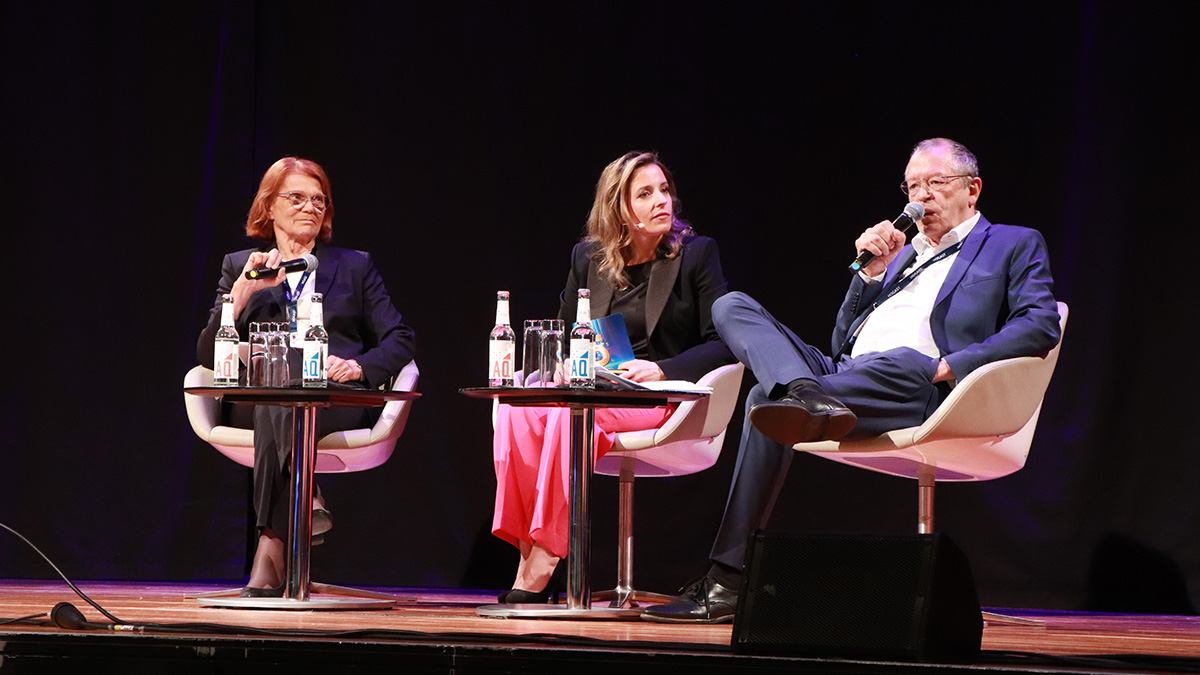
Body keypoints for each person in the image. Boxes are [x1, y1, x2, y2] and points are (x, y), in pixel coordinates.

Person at [642, 137, 1061, 623]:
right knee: (731, 307)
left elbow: (1039, 323)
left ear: (973, 189)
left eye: (935, 184)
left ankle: (728, 577)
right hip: (845, 376)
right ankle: (800, 399)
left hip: (920, 381)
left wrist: (955, 365)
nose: (919, 197)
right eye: (911, 186)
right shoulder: (900, 253)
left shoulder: (1012, 242)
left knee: (777, 392)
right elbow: (842, 341)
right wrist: (869, 275)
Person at [491, 151, 734, 603]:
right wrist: (561, 362)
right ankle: (526, 542)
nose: (662, 201)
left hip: (657, 394)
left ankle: (544, 558)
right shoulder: (589, 258)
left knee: (571, 417)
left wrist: (662, 368)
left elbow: (725, 341)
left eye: (664, 190)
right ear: (619, 208)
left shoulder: (696, 255)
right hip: (598, 385)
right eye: (645, 194)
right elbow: (564, 334)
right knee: (515, 405)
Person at [197, 157, 416, 596]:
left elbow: (400, 338)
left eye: (319, 200)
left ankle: (270, 545)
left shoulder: (354, 267)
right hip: (256, 407)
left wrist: (358, 367)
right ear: (269, 206)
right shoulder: (242, 264)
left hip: (332, 403)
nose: (310, 207)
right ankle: (301, 503)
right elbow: (206, 353)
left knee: (292, 382)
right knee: (280, 384)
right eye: (296, 197)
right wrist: (240, 296)